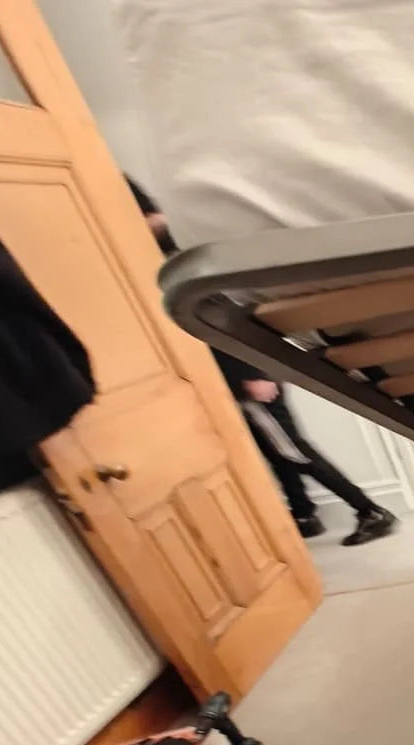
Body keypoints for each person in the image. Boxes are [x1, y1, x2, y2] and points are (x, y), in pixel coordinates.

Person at [127, 178, 397, 545]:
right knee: (276, 449)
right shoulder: (162, 257)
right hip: (236, 372)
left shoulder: (182, 252)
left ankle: (370, 511)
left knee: (291, 449)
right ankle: (305, 514)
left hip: (248, 372)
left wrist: (254, 372)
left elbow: (229, 313)